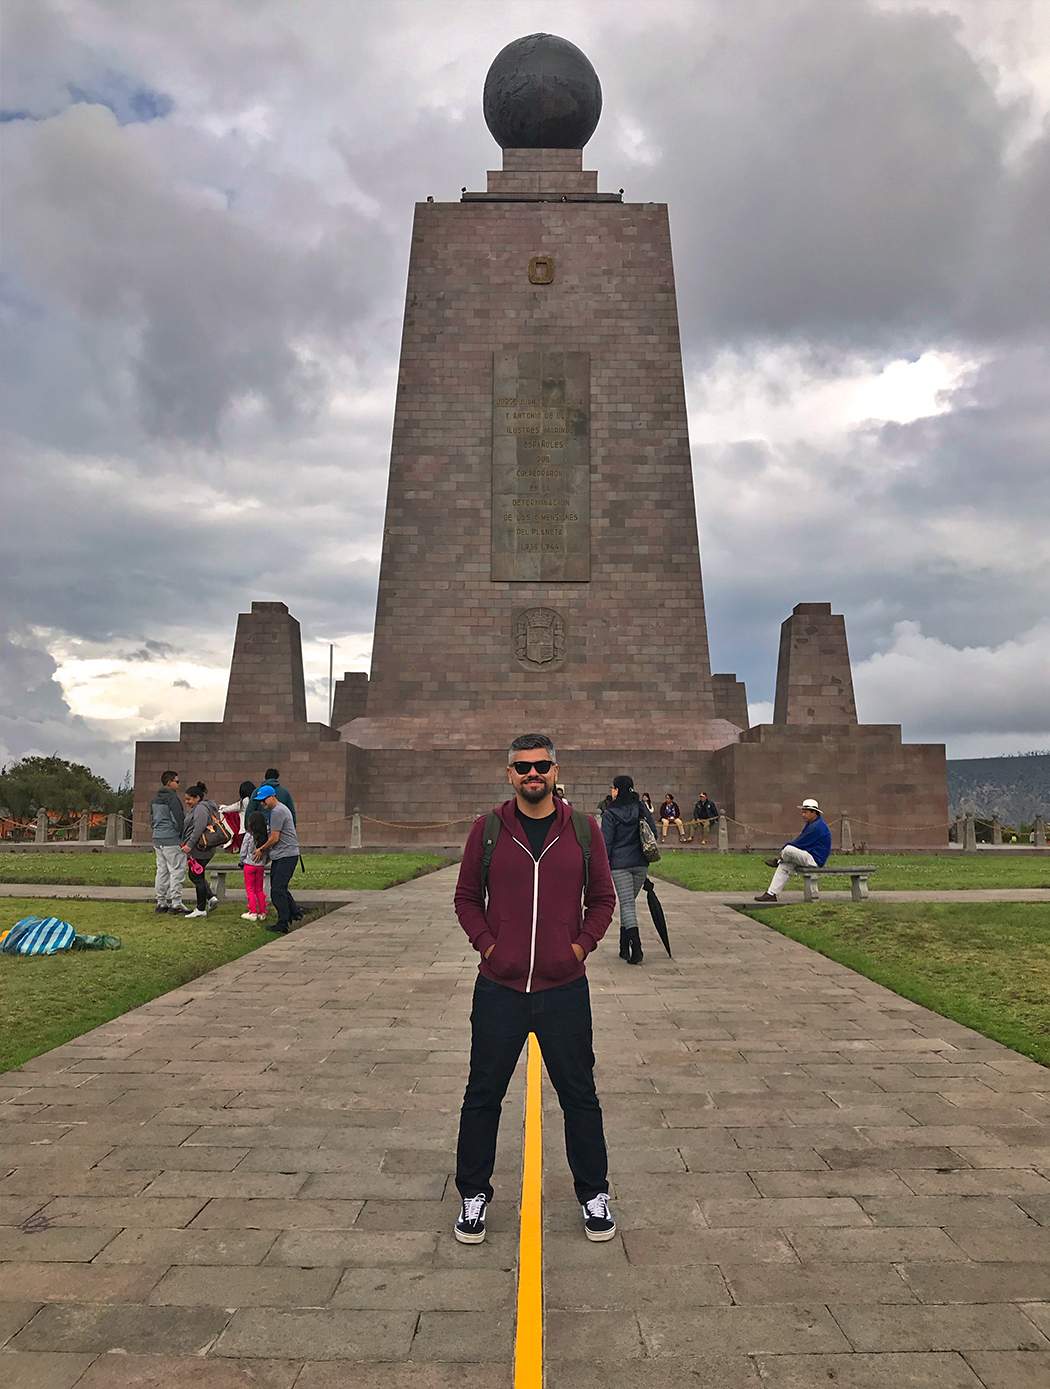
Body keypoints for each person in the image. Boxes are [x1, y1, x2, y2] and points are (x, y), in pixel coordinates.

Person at [452, 734, 617, 1246]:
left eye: (541, 765)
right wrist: (487, 945)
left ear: (554, 769)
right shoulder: (489, 830)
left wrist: (580, 947)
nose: (532, 774)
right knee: (483, 1094)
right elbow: (465, 898)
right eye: (523, 766)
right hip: (499, 986)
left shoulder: (584, 831)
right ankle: (473, 1193)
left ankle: (593, 1193)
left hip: (563, 987)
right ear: (510, 773)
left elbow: (604, 899)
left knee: (579, 1095)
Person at [601, 774, 658, 966]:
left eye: (613, 788)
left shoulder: (610, 814)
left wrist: (602, 867)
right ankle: (624, 945)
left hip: (620, 864)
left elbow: (606, 844)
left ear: (617, 790)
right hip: (641, 862)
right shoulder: (640, 808)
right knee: (629, 903)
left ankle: (637, 947)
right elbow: (653, 833)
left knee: (626, 905)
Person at [755, 798, 833, 902]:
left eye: (805, 812)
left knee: (788, 850)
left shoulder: (817, 827)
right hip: (809, 855)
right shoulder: (813, 824)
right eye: (803, 812)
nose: (803, 815)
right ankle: (771, 894)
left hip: (815, 860)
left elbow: (800, 843)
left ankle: (778, 861)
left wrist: (783, 851)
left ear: (813, 812)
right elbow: (801, 843)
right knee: (786, 864)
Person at [253, 784, 302, 933]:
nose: (262, 803)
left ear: (273, 796)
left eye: (264, 800)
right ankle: (295, 914)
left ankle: (283, 923)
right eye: (260, 801)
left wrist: (261, 850)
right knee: (280, 888)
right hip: (284, 855)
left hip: (286, 855)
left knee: (277, 891)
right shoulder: (279, 810)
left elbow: (274, 838)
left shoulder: (277, 812)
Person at [180, 783, 220, 918]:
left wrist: (190, 844)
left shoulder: (201, 809)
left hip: (200, 848)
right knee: (197, 875)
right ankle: (210, 898)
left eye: (189, 799)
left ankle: (201, 907)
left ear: (197, 797)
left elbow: (199, 827)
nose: (187, 802)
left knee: (196, 875)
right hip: (202, 848)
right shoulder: (203, 807)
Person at [150, 770, 186, 915]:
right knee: (177, 870)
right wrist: (183, 836)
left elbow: (152, 820)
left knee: (162, 871)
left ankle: (161, 902)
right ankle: (176, 903)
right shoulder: (173, 799)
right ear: (169, 782)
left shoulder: (155, 799)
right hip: (172, 839)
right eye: (177, 781)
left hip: (158, 838)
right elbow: (179, 819)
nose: (178, 784)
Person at [239, 809, 270, 921]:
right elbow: (267, 851)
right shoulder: (265, 836)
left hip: (249, 864)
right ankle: (262, 912)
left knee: (250, 889)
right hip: (260, 866)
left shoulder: (248, 835)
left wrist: (241, 861)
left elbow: (244, 850)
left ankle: (253, 912)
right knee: (259, 889)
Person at [222, 780, 256, 852]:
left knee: (245, 851)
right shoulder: (256, 800)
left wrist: (222, 807)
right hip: (256, 828)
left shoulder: (244, 801)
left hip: (245, 829)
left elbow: (233, 807)